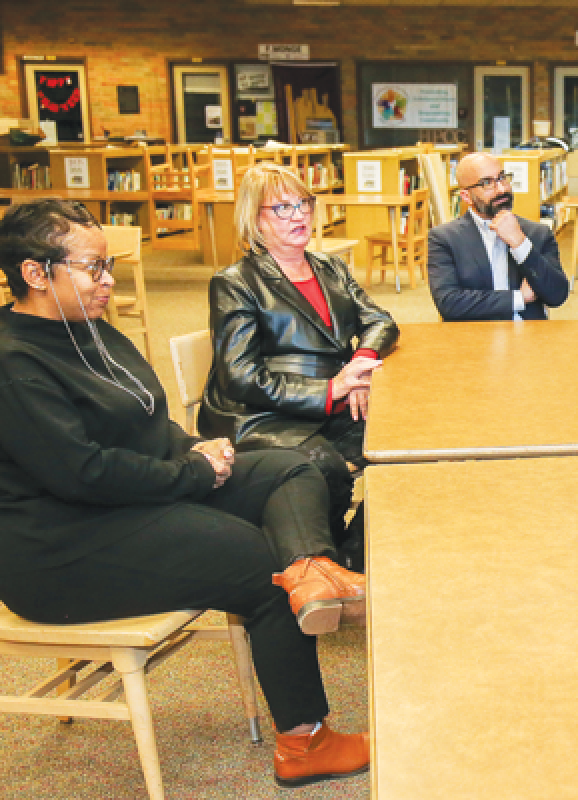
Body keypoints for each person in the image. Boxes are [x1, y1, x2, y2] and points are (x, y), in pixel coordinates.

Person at [0, 199, 369, 787]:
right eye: (94, 267)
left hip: (134, 498)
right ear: (36, 273)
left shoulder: (90, 328)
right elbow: (83, 474)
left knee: (289, 468)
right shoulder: (13, 361)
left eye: (109, 264)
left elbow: (144, 417)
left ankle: (314, 571)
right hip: (59, 547)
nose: (109, 280)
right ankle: (304, 742)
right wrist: (194, 475)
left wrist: (193, 447)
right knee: (257, 560)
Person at [200, 164, 398, 570]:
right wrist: (330, 390)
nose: (299, 216)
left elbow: (380, 321)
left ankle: (353, 555)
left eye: (304, 204)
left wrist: (359, 364)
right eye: (282, 208)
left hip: (330, 405)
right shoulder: (235, 282)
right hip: (264, 416)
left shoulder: (330, 268)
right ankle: (323, 562)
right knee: (323, 466)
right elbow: (238, 375)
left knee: (405, 444)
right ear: (255, 219)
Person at [427, 152, 570, 321]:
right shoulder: (444, 238)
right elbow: (449, 303)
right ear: (466, 196)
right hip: (473, 337)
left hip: (529, 337)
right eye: (487, 183)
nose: (502, 189)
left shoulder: (537, 233)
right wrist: (519, 298)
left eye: (502, 177)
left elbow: (557, 295)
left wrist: (520, 243)